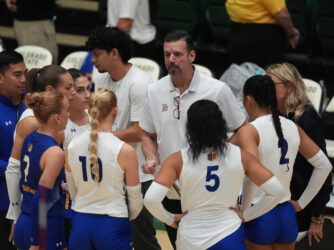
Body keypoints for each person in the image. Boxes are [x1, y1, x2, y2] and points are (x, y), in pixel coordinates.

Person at [139, 29, 247, 248]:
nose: (171, 60)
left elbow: (242, 128)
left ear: (192, 56)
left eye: (177, 54)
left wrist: (221, 152)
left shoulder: (217, 90)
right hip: (172, 187)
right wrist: (151, 157)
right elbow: (147, 134)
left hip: (209, 187)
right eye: (167, 54)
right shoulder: (154, 90)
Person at [144, 99, 286, 250]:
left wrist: (170, 218)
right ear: (221, 124)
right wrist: (247, 215)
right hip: (229, 234)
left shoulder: (177, 160)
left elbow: (150, 200)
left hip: (191, 237)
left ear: (190, 128)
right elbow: (277, 191)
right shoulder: (241, 156)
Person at [235, 75, 332, 250]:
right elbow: (325, 165)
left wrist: (245, 213)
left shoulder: (249, 130)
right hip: (286, 214)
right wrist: (302, 203)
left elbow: (252, 174)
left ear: (248, 99)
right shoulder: (292, 126)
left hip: (259, 213)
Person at [86, 27, 161, 250]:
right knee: (113, 234)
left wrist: (101, 137)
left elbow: (140, 131)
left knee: (142, 236)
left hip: (138, 173)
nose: (93, 59)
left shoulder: (140, 83)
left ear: (114, 53)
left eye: (97, 53)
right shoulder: (100, 79)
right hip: (111, 170)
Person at [65, 89, 143, 250]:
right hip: (113, 223)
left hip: (80, 221)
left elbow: (73, 192)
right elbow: (135, 199)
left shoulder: (71, 146)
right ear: (115, 110)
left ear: (89, 110)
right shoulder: (125, 150)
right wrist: (128, 215)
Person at [5, 65, 75, 242]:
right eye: (68, 87)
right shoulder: (33, 124)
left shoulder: (37, 135)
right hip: (41, 221)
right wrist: (16, 214)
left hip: (33, 216)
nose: (73, 92)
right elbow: (15, 170)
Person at [266, 63, 333, 247]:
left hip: (299, 204)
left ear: (289, 86)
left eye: (271, 84)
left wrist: (317, 217)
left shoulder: (306, 118)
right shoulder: (268, 116)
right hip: (275, 202)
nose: (266, 89)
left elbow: (323, 169)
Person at [13, 91, 69, 250]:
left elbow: (29, 179)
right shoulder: (55, 152)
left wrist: (60, 187)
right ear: (57, 117)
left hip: (24, 220)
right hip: (45, 228)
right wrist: (36, 242)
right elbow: (41, 198)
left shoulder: (29, 138)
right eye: (68, 110)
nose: (69, 115)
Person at [0, 50, 26, 250]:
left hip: (33, 193)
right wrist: (21, 170)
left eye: (25, 73)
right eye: (17, 74)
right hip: (4, 199)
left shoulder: (33, 104)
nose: (24, 79)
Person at [225, 0, 300, 68]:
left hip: (237, 33)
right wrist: (292, 32)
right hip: (263, 39)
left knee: (240, 74)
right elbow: (282, 14)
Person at [62, 68, 90, 243]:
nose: (87, 95)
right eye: (80, 90)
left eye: (88, 88)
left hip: (95, 203)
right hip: (67, 204)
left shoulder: (100, 120)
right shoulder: (59, 126)